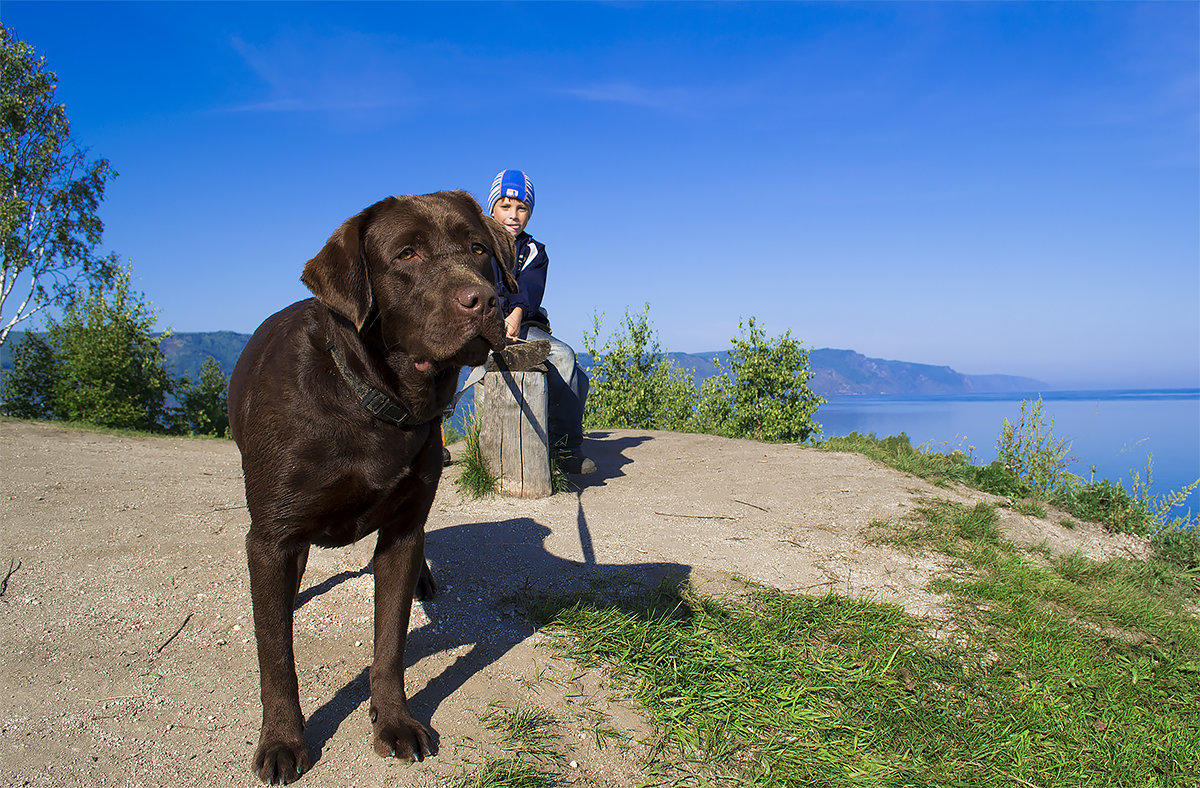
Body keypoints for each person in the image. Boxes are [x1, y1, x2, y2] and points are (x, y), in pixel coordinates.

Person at [483, 168, 595, 475]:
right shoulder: (475, 245)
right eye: (505, 206)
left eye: (522, 208)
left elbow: (529, 292)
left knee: (570, 367)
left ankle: (564, 449)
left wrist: (516, 316)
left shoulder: (533, 251)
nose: (513, 215)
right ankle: (430, 443)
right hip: (478, 326)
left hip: (524, 326)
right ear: (491, 207)